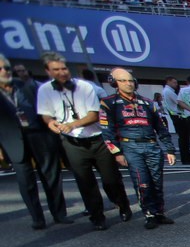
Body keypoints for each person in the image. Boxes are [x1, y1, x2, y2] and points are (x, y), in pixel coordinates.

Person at [36, 52, 130, 231]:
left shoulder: (85, 87)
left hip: (98, 139)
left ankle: (122, 204)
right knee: (85, 182)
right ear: (48, 71)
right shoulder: (45, 90)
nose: (62, 72)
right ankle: (97, 216)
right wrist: (51, 123)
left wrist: (71, 125)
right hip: (73, 143)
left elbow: (94, 115)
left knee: (111, 179)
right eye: (56, 70)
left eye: (64, 68)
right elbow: (45, 114)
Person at [99, 67, 176, 229]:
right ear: (114, 83)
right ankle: (149, 214)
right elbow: (107, 132)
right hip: (130, 146)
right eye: (123, 80)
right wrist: (117, 153)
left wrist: (169, 149)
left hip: (151, 145)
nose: (128, 84)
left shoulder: (148, 103)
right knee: (142, 182)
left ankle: (159, 212)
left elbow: (161, 128)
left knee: (156, 181)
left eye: (130, 80)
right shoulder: (109, 103)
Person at [0, 53, 68, 229]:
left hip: (40, 135)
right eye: (0, 69)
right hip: (13, 141)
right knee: (26, 182)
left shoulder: (26, 86)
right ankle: (37, 218)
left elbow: (45, 109)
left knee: (51, 177)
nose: (4, 71)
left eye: (6, 68)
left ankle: (59, 214)